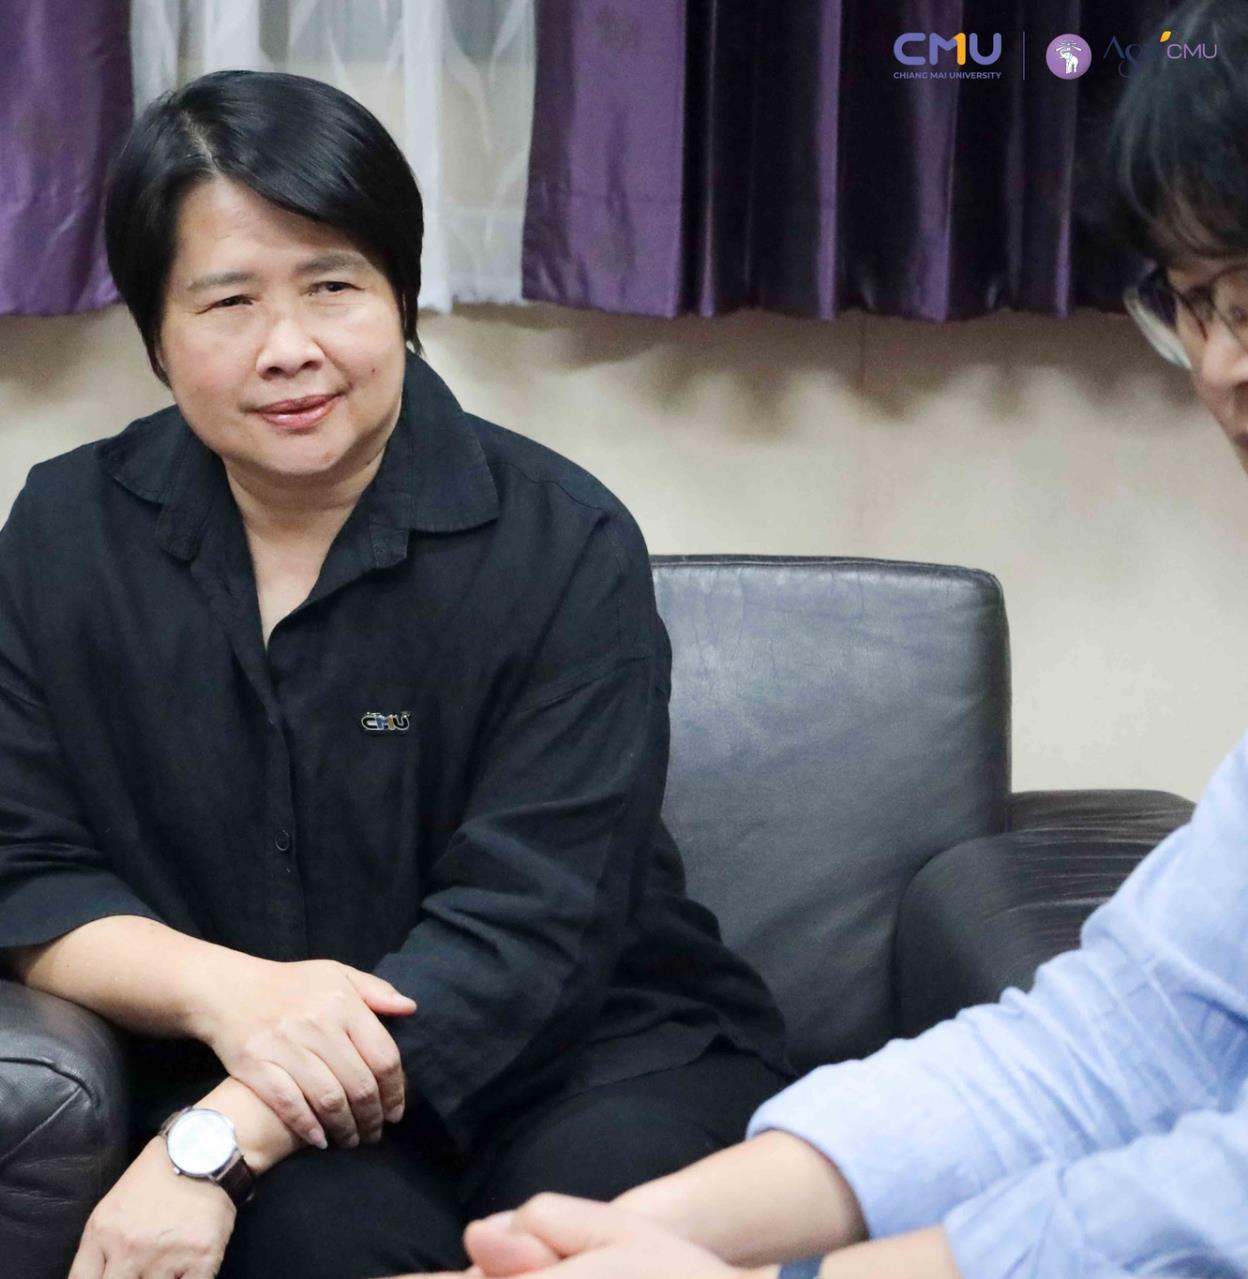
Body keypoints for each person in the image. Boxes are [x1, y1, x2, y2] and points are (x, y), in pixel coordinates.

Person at [392, 2, 1248, 1276]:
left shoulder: (556, 535)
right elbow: (1118, 1044)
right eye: (1197, 303)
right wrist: (651, 1234)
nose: (1222, 367)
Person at [0, 69, 790, 1279]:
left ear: (402, 299)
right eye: (228, 301)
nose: (290, 350)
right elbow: (8, 867)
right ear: (156, 337)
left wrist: (216, 1142)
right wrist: (230, 996)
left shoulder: (565, 543)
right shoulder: (70, 533)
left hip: (594, 1056)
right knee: (312, 1246)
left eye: (334, 287)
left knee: (581, 1235)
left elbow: (530, 929)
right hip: (289, 1096)